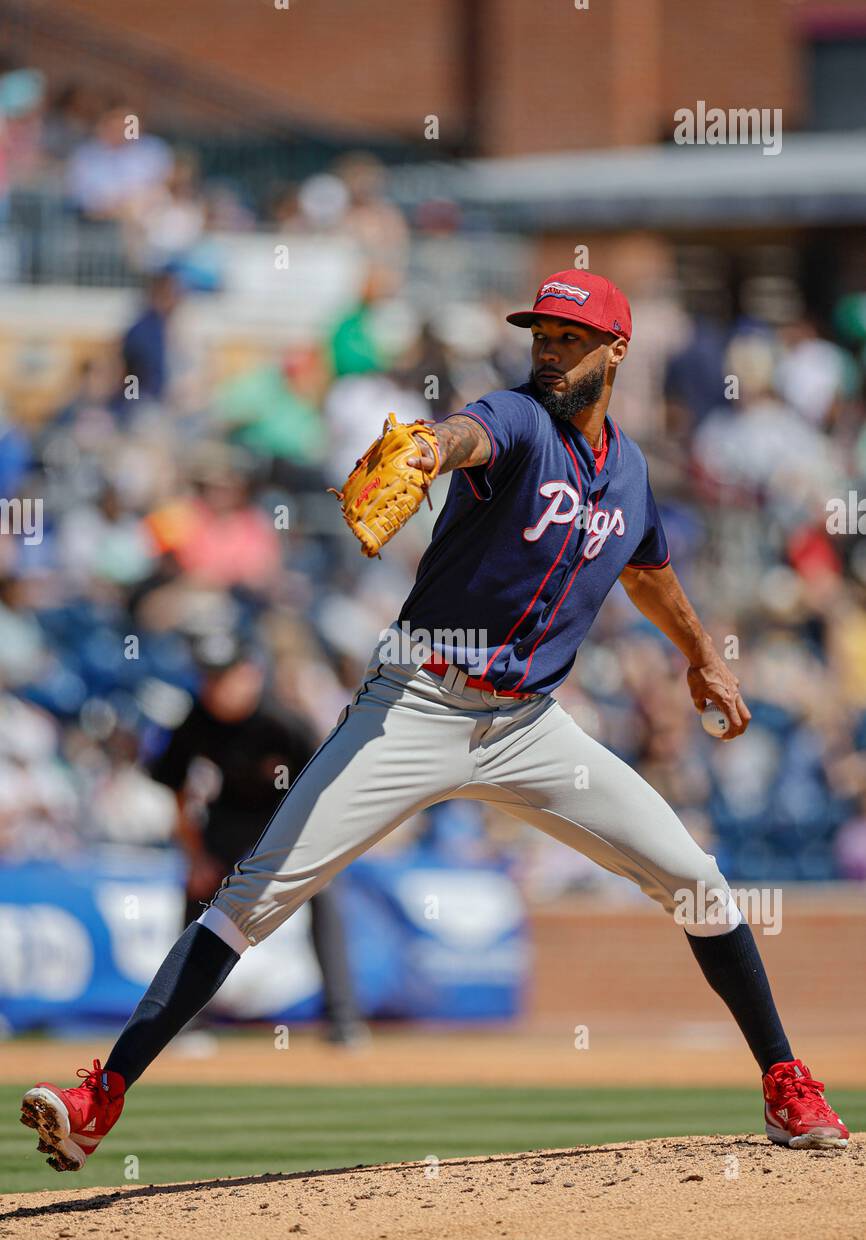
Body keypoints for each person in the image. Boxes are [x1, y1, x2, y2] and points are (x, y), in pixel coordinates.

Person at [21, 270, 848, 1172]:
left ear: (616, 349)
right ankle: (102, 1096)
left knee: (696, 880)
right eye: (540, 334)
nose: (548, 349)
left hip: (531, 727)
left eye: (568, 338)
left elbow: (646, 567)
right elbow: (468, 433)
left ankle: (785, 1079)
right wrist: (426, 452)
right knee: (253, 895)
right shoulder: (520, 419)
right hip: (415, 703)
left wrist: (703, 655)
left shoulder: (634, 473)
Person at [148, 632, 364, 1048]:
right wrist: (195, 856)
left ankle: (343, 1019)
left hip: (288, 818)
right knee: (197, 899)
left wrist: (323, 853)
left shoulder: (283, 722)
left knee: (325, 897)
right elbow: (174, 788)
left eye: (224, 677)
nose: (215, 688)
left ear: (250, 675)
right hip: (229, 819)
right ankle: (183, 1020)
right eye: (208, 678)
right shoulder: (195, 721)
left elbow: (326, 786)